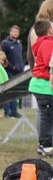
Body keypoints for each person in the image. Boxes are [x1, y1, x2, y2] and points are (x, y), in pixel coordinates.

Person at [28, 20, 53, 157]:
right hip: (44, 86)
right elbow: (51, 63)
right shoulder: (48, 43)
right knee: (48, 117)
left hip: (40, 85)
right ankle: (46, 145)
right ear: (49, 30)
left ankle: (44, 144)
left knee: (47, 116)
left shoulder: (42, 42)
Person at [0, 24, 24, 118]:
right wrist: (12, 67)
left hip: (18, 71)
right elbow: (3, 57)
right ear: (10, 32)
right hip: (9, 70)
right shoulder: (5, 43)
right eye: (14, 31)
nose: (15, 33)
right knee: (8, 91)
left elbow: (20, 56)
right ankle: (7, 112)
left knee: (15, 92)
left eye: (17, 32)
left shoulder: (19, 43)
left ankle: (14, 111)